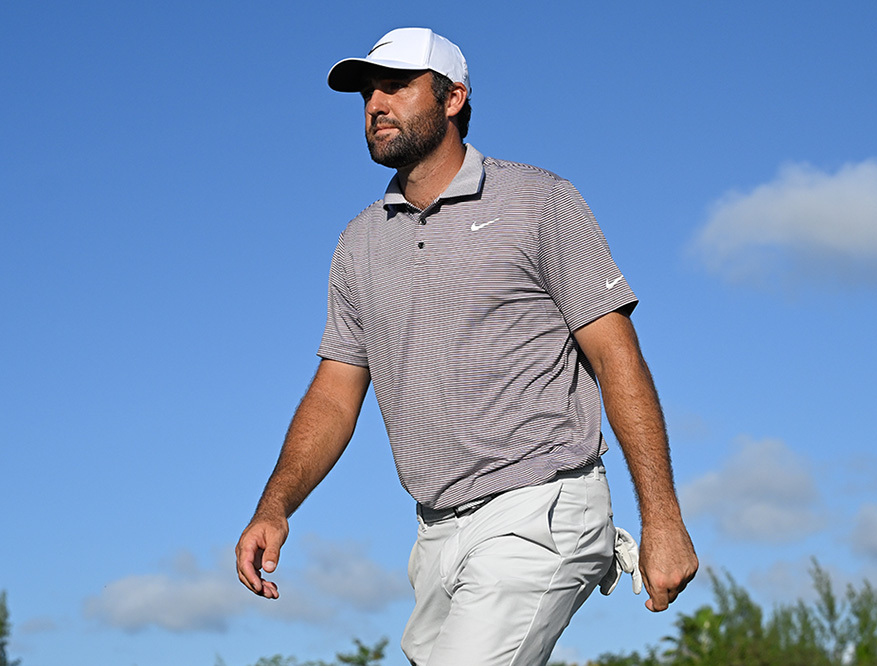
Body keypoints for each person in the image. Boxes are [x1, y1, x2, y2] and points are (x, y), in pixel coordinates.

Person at [235, 27, 698, 665]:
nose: (375, 104)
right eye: (368, 92)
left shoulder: (538, 202)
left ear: (452, 98)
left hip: (541, 506)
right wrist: (275, 506)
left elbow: (617, 358)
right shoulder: (358, 244)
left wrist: (663, 517)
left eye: (396, 86)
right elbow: (335, 394)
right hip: (435, 533)